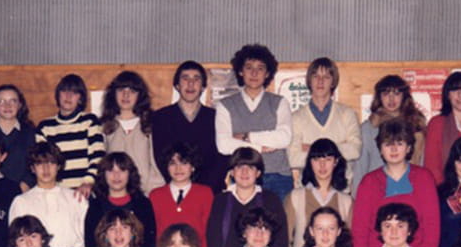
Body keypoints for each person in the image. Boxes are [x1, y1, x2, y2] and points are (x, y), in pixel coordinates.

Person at [352, 117, 440, 247]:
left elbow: (432, 226)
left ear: (409, 148)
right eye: (388, 144)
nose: (393, 149)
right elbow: (360, 230)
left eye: (399, 143)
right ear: (380, 149)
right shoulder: (369, 182)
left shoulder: (424, 178)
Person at [215, 43, 293, 200]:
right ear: (240, 71)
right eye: (249, 67)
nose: (254, 73)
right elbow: (223, 145)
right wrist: (260, 148)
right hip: (241, 177)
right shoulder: (225, 105)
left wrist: (247, 136)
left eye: (260, 68)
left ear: (267, 73)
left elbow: (284, 138)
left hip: (278, 176)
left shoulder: (279, 102)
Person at [151, 60, 228, 194]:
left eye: (196, 79)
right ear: (177, 85)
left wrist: (204, 190)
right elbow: (159, 158)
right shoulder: (160, 118)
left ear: (203, 86)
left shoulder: (217, 118)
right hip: (173, 191)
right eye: (185, 78)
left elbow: (222, 159)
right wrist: (180, 186)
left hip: (210, 191)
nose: (190, 84)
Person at [207, 147, 288, 247]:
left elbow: (280, 240)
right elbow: (214, 241)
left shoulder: (271, 200)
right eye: (239, 167)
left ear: (258, 173)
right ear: (232, 172)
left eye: (250, 167)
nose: (244, 172)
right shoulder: (220, 201)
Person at [287, 57, 361, 188]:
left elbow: (355, 150)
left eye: (326, 77)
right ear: (309, 81)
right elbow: (293, 159)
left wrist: (312, 149)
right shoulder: (296, 117)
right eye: (316, 76)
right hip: (307, 191)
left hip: (341, 190)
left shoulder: (347, 113)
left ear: (333, 82)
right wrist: (339, 147)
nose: (320, 81)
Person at [354, 74, 427, 196]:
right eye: (386, 94)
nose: (391, 99)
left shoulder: (416, 127)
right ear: (379, 97)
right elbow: (360, 167)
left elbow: (422, 163)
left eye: (396, 93)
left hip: (410, 192)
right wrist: (357, 197)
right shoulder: (369, 128)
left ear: (404, 96)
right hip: (376, 192)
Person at [36, 73, 105, 197]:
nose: (68, 96)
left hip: (85, 191)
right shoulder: (45, 127)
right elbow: (42, 162)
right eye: (64, 91)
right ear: (58, 94)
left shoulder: (89, 121)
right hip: (56, 193)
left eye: (74, 92)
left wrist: (88, 182)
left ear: (80, 98)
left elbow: (98, 157)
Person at [285, 138, 353, 247]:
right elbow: (285, 238)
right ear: (310, 162)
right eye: (316, 159)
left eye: (328, 159)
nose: (322, 165)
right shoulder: (295, 197)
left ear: (336, 162)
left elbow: (350, 242)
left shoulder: (346, 202)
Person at [100, 71, 165, 195]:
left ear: (140, 95)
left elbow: (156, 165)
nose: (126, 95)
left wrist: (152, 193)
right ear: (113, 93)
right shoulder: (104, 126)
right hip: (114, 195)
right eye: (121, 90)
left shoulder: (152, 124)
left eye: (132, 91)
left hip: (146, 194)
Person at [149, 142, 213, 247]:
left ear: (192, 167)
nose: (178, 169)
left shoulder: (205, 193)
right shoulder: (156, 195)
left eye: (184, 163)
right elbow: (154, 233)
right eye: (173, 163)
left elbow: (207, 233)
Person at [84, 152, 156, 247]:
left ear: (130, 174)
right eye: (111, 170)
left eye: (122, 170)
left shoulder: (143, 204)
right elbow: (90, 244)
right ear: (103, 175)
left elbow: (149, 244)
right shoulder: (96, 206)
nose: (116, 176)